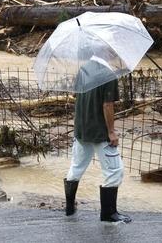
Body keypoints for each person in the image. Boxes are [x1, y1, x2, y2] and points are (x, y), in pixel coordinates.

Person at [64, 78, 132, 223]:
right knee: (115, 171)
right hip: (100, 133)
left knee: (76, 166)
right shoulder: (107, 75)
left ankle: (69, 208)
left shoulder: (83, 71)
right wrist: (112, 131)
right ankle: (109, 214)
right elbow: (107, 105)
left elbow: (76, 95)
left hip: (81, 130)